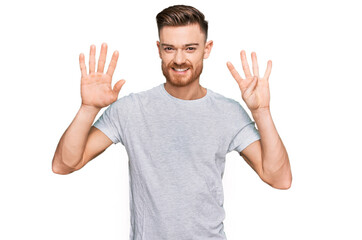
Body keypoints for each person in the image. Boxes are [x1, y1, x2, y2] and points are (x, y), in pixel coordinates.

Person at [52, 4, 292, 240]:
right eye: (169, 48)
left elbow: (279, 178)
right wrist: (88, 108)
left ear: (206, 49)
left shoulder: (228, 112)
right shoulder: (131, 110)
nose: (179, 59)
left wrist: (262, 112)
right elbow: (65, 164)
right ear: (159, 49)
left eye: (190, 48)